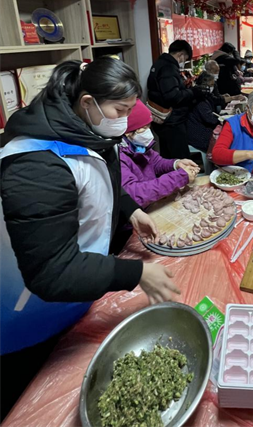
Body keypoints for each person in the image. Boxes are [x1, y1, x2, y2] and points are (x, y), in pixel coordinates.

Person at [0, 59, 180, 419]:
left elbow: (101, 176)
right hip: (27, 314)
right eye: (120, 110)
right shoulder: (34, 164)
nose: (125, 121)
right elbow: (50, 271)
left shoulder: (89, 130)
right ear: (87, 102)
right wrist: (136, 273)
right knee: (35, 405)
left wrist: (129, 209)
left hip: (78, 290)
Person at [120, 99, 199, 209]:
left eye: (149, 127)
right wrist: (179, 177)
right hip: (138, 211)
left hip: (152, 201)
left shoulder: (138, 145)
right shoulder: (119, 157)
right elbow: (134, 194)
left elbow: (155, 162)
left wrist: (176, 164)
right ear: (128, 132)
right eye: (143, 128)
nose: (148, 132)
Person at [147, 39, 205, 159]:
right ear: (181, 54)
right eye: (185, 59)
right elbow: (172, 96)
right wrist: (193, 92)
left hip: (164, 120)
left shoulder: (159, 63)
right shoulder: (169, 68)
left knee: (168, 156)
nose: (184, 62)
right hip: (172, 121)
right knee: (180, 158)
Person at [187, 71, 222, 153]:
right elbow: (210, 118)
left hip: (198, 130)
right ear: (204, 84)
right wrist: (223, 119)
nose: (212, 87)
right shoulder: (200, 100)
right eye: (211, 85)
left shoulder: (203, 96)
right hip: (198, 134)